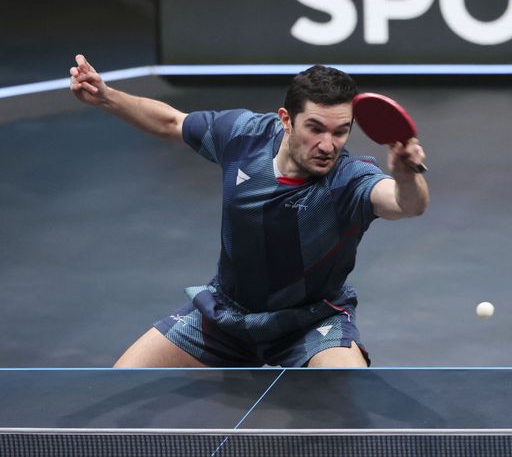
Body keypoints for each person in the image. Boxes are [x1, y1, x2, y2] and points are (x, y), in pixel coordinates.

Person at [70, 54, 429, 368]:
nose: (327, 145)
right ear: (286, 119)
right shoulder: (244, 135)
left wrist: (406, 175)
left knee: (348, 399)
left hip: (310, 322)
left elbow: (404, 203)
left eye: (340, 132)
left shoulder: (348, 180)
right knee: (116, 381)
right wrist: (107, 97)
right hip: (227, 314)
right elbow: (172, 123)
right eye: (315, 128)